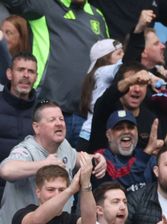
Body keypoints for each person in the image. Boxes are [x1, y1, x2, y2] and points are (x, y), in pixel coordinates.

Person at [0, 101, 106, 224]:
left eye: (61, 119)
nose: (59, 123)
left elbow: (76, 157)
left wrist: (96, 159)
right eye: (52, 120)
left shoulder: (63, 145)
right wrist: (42, 165)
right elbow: (6, 170)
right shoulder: (26, 150)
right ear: (36, 127)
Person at [1, 0, 109, 142]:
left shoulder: (97, 15)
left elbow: (109, 59)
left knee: (82, 163)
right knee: (45, 163)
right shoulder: (44, 5)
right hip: (47, 107)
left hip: (87, 116)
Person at [0, 52, 36, 202]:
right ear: (9, 74)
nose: (26, 75)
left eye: (31, 71)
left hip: (30, 193)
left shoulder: (44, 110)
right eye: (20, 70)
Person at [97, 110, 159, 193]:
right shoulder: (101, 157)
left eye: (130, 127)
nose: (126, 131)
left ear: (137, 132)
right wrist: (146, 154)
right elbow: (118, 179)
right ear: (109, 135)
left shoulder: (147, 156)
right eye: (119, 128)